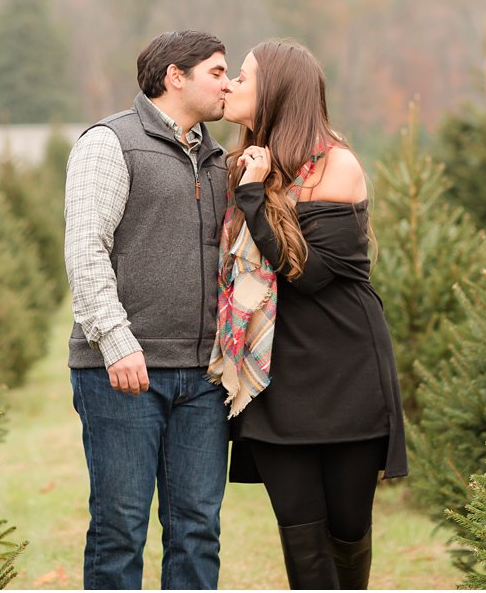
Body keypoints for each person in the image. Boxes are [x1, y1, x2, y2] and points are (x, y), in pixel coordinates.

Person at [212, 38, 407, 590]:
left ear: (276, 91)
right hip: (274, 380)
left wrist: (252, 201)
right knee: (301, 537)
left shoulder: (336, 166)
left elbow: (307, 273)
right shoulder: (249, 166)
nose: (229, 86)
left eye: (242, 78)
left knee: (348, 531)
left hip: (345, 376)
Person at [64, 29, 235, 590]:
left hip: (204, 378)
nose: (227, 83)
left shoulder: (219, 160)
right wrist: (117, 342)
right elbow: (86, 247)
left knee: (197, 530)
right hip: (123, 374)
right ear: (174, 77)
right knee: (120, 528)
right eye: (216, 71)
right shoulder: (109, 143)